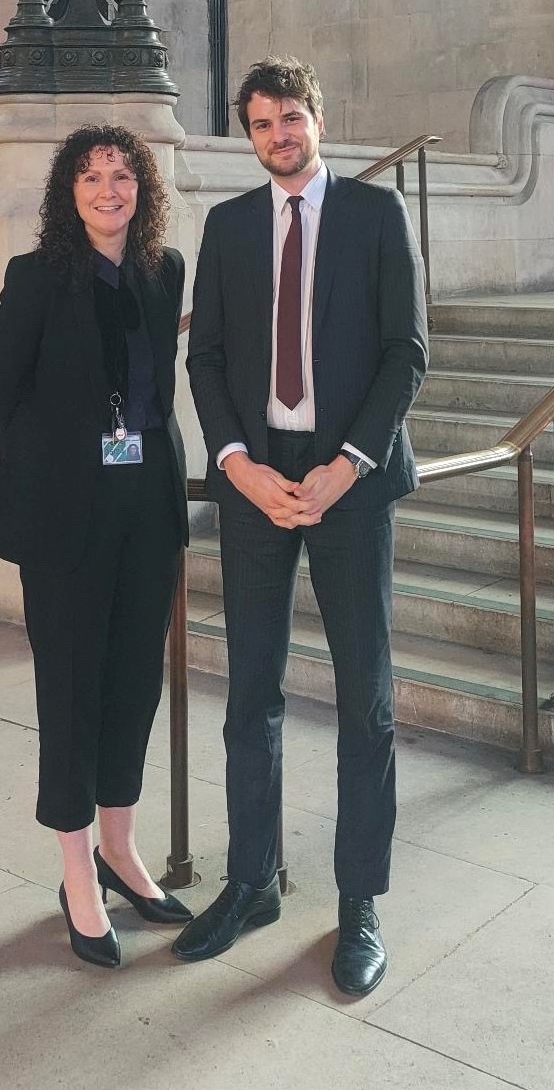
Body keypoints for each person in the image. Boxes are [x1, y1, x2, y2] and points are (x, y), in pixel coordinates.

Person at [173, 59, 428, 996]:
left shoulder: (374, 216)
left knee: (365, 699)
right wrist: (237, 464)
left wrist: (345, 463)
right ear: (248, 136)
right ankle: (253, 879)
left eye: (291, 117)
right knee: (252, 694)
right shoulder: (230, 225)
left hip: (348, 487)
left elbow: (407, 351)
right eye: (261, 123)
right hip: (254, 488)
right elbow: (205, 360)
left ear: (318, 117)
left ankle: (359, 903)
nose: (278, 134)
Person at [0, 124, 192, 969]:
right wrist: (65, 468)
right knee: (70, 690)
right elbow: (2, 394)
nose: (110, 189)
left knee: (134, 685)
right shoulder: (35, 278)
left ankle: (120, 847)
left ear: (144, 188)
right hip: (68, 518)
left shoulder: (162, 271)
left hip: (147, 508)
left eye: (124, 174)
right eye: (93, 176)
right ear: (69, 192)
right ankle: (76, 872)